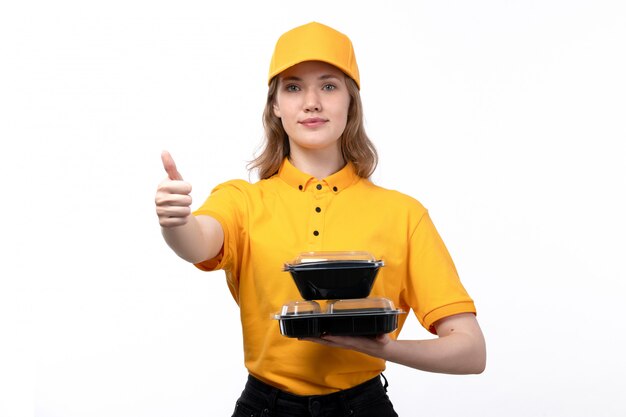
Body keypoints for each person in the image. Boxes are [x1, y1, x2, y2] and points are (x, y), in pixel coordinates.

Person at [155, 21, 486, 417]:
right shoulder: (241, 200)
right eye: (293, 87)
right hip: (265, 407)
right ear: (275, 105)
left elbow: (470, 350)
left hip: (363, 407)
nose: (311, 101)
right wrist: (176, 224)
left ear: (351, 102)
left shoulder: (404, 214)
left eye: (328, 86)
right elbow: (200, 240)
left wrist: (380, 347)